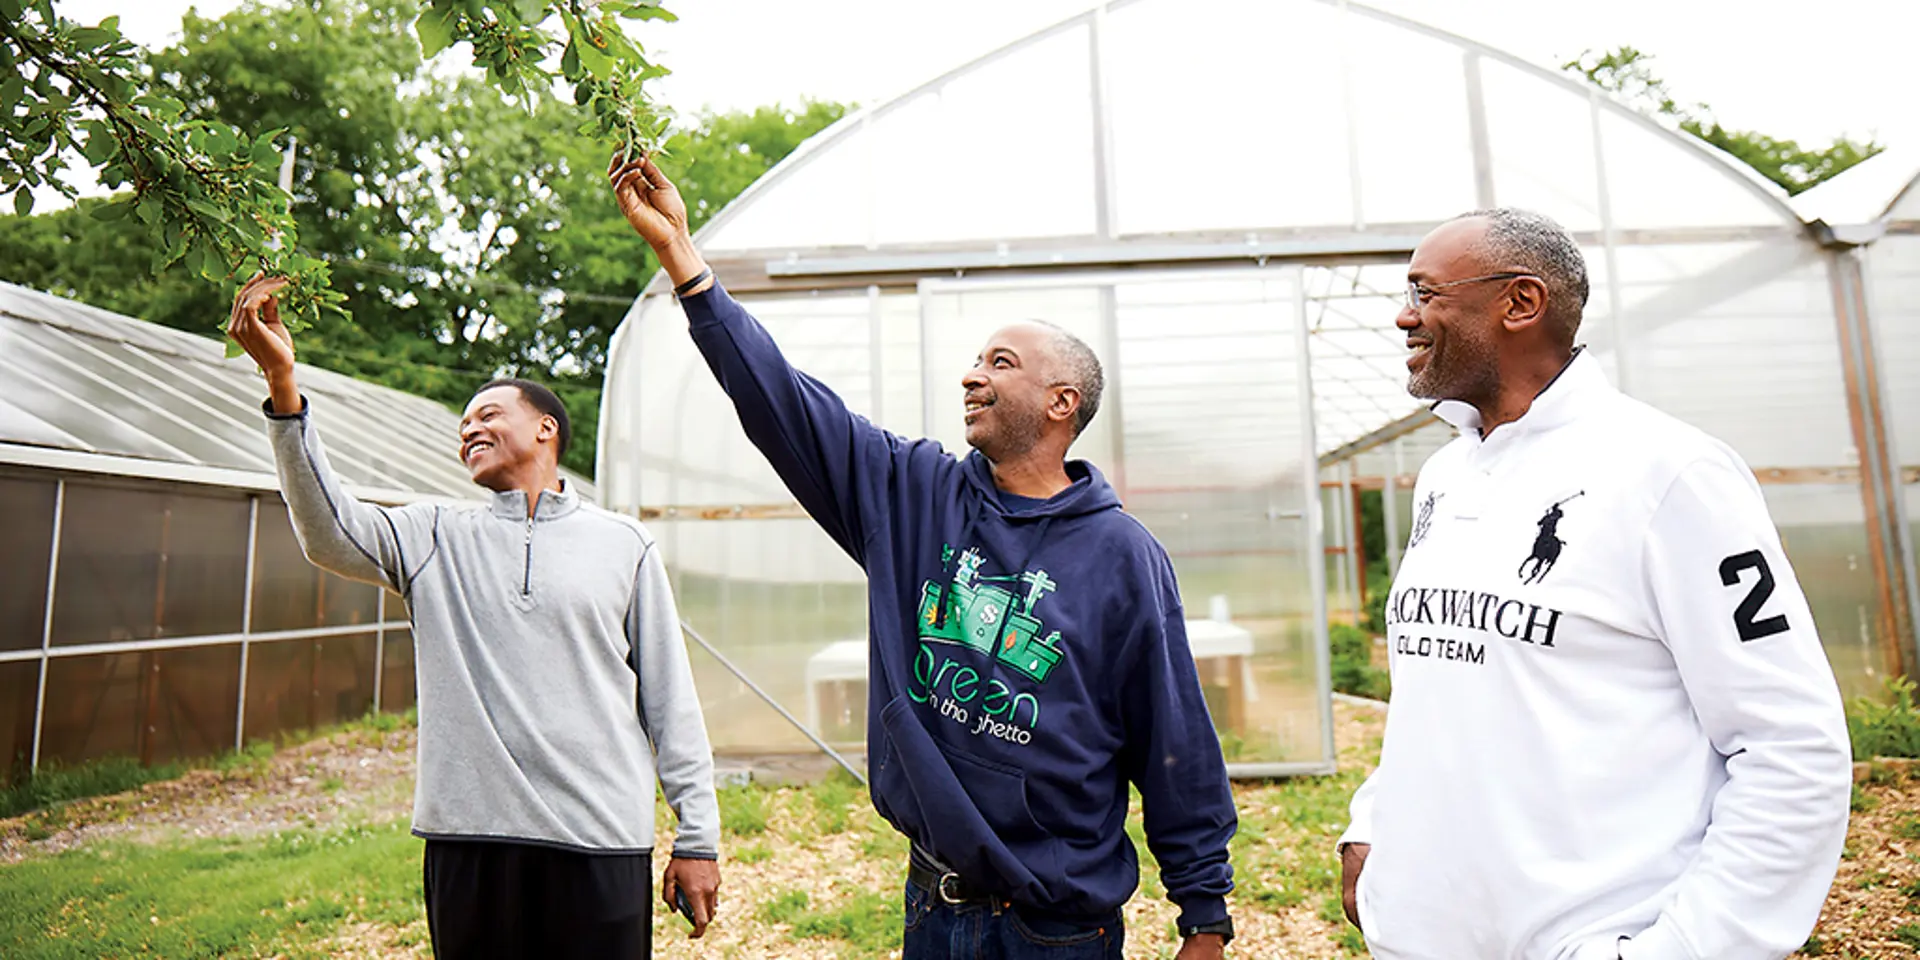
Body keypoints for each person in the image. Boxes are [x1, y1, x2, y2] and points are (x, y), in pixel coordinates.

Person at [609, 155, 1239, 959]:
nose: (972, 375)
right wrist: (685, 263)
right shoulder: (912, 494)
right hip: (932, 908)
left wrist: (1205, 915)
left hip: (1057, 927)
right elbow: (785, 404)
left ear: (1061, 402)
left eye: (1000, 363)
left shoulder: (1124, 555)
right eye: (976, 359)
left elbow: (1173, 735)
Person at [1337, 209, 1852, 959]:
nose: (1403, 314)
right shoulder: (1447, 473)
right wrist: (1373, 826)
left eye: (1425, 291)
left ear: (1520, 303)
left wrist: (1686, 948)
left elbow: (1790, 744)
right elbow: (1444, 687)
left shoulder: (1668, 472)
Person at [225, 275, 722, 959]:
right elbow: (329, 532)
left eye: (488, 414)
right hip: (471, 842)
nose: (470, 428)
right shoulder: (433, 534)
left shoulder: (624, 545)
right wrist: (284, 385)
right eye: (464, 424)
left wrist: (697, 839)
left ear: (546, 428)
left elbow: (671, 705)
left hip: (602, 841)